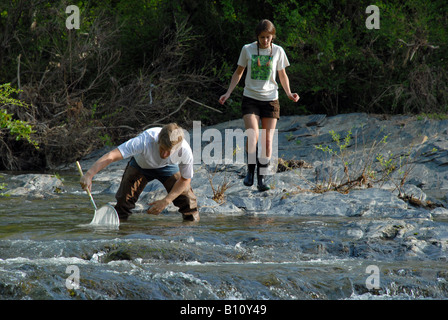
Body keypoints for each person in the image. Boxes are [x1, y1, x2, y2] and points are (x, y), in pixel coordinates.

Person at [219, 19, 300, 191]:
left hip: (271, 99)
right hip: (251, 98)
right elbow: (238, 72)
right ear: (257, 36)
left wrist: (289, 93)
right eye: (262, 37)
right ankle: (250, 172)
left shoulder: (278, 51)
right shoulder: (247, 49)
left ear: (273, 37)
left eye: (268, 37)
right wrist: (228, 93)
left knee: (267, 140)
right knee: (253, 135)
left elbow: (282, 74)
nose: (265, 41)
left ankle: (261, 179)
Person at [79, 123, 200, 222]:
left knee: (188, 202)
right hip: (140, 166)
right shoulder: (144, 140)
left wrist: (166, 201)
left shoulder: (184, 150)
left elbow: (185, 180)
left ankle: (189, 233)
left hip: (168, 167)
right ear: (158, 140)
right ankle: (120, 234)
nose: (164, 155)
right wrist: (89, 174)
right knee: (123, 203)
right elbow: (112, 155)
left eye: (169, 151)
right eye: (162, 149)